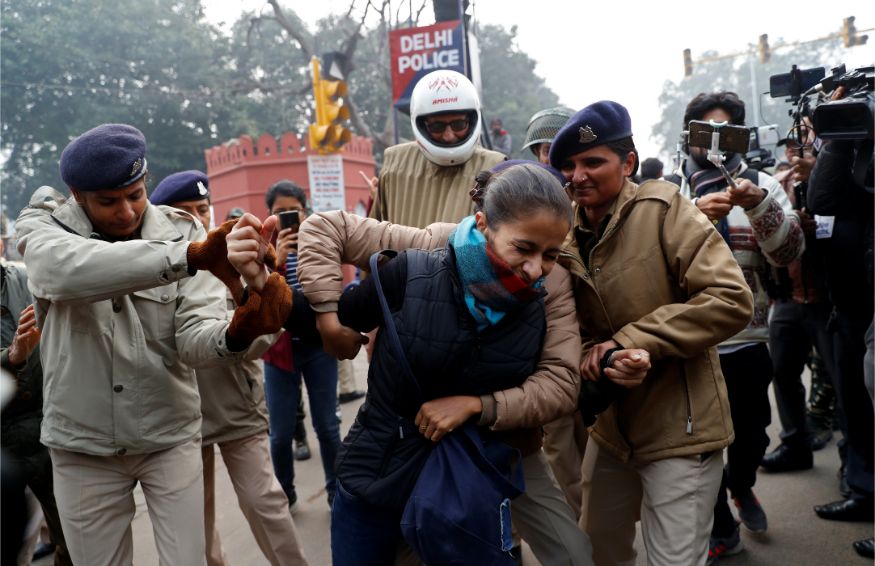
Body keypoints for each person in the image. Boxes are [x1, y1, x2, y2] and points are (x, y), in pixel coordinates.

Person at [229, 163, 629, 565]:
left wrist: (475, 406)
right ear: (483, 223)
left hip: (486, 458)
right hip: (385, 458)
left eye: (550, 254)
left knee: (570, 553)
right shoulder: (419, 263)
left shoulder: (545, 295)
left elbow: (559, 385)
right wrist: (269, 285)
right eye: (523, 248)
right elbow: (330, 301)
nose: (534, 269)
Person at [14, 124, 288, 565]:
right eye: (108, 201)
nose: (126, 211)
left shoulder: (184, 230)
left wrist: (238, 330)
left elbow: (192, 341)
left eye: (136, 194)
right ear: (77, 194)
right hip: (82, 443)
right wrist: (190, 258)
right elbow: (59, 273)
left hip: (170, 433)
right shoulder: (44, 226)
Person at [548, 100, 754, 566]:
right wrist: (591, 356)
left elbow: (730, 299)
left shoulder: (664, 209)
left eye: (592, 162)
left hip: (681, 428)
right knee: (596, 551)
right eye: (569, 166)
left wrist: (631, 342)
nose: (578, 175)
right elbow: (562, 324)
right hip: (611, 431)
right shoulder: (562, 233)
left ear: (629, 163)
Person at [664, 91, 804, 560]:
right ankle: (720, 524)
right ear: (690, 136)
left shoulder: (762, 183)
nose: (717, 143)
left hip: (748, 338)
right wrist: (695, 220)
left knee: (753, 434)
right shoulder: (670, 192)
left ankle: (742, 485)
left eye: (727, 131)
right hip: (692, 342)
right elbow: (656, 266)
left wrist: (761, 204)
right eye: (707, 132)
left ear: (740, 135)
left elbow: (788, 254)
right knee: (702, 445)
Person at [148, 171, 308, 566]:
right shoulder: (150, 266)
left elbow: (265, 338)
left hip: (236, 404)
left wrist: (247, 294)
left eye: (201, 209)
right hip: (181, 415)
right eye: (182, 212)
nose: (196, 220)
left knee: (266, 503)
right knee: (196, 524)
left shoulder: (231, 257)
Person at [806, 124, 874, 555]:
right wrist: (839, 138)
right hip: (849, 299)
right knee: (855, 403)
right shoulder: (849, 152)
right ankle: (865, 491)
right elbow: (822, 201)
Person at [260, 180, 342, 509]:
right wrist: (275, 260)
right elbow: (257, 300)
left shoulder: (319, 242)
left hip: (318, 346)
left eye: (293, 211)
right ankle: (286, 495)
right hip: (278, 352)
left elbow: (333, 286)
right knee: (279, 434)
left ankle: (337, 493)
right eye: (279, 213)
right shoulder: (259, 248)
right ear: (269, 216)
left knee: (327, 425)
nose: (287, 219)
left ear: (304, 211)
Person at [369, 69, 505, 228]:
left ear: (472, 120)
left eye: (458, 125)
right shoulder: (394, 165)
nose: (449, 135)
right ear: (422, 126)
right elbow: (373, 233)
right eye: (437, 126)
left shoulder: (496, 167)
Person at [1, 261, 72, 566]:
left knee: (74, 537)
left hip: (49, 426)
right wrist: (12, 356)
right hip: (5, 439)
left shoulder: (30, 278)